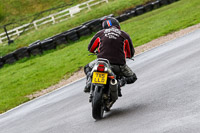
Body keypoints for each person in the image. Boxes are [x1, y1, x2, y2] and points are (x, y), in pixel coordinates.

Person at [84, 17, 137, 96]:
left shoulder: (100, 33)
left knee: (87, 67)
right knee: (132, 77)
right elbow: (130, 53)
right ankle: (119, 83)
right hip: (118, 65)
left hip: (101, 62)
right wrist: (127, 56)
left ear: (104, 26)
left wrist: (95, 51)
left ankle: (89, 83)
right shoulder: (124, 35)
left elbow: (90, 48)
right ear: (117, 25)